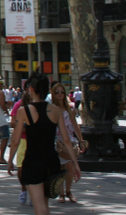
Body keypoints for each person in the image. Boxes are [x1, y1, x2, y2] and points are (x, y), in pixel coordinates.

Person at [7, 72, 80, 215]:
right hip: (51, 160)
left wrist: (10, 160)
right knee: (44, 205)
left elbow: (15, 140)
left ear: (31, 89)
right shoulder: (56, 111)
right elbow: (66, 139)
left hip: (33, 161)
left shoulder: (24, 111)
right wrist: (75, 162)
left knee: (39, 206)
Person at [50, 82, 84, 203]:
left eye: (62, 92)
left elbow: (75, 125)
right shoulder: (51, 108)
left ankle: (68, 191)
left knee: (69, 167)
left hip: (69, 141)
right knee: (60, 168)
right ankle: (61, 193)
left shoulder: (69, 108)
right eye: (57, 92)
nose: (59, 94)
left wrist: (81, 140)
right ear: (53, 94)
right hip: (56, 141)